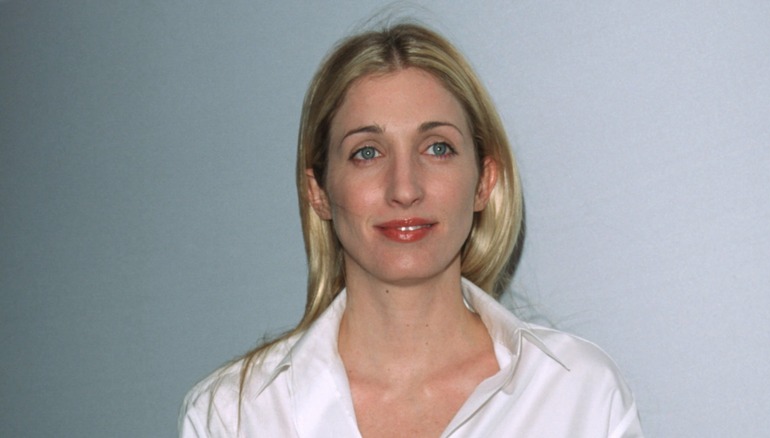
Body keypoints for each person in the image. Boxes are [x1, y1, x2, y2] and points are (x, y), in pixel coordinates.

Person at [179, 22, 643, 437]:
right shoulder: (235, 417)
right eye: (367, 152)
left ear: (484, 182)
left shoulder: (579, 394)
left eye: (437, 148)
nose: (404, 188)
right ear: (318, 191)